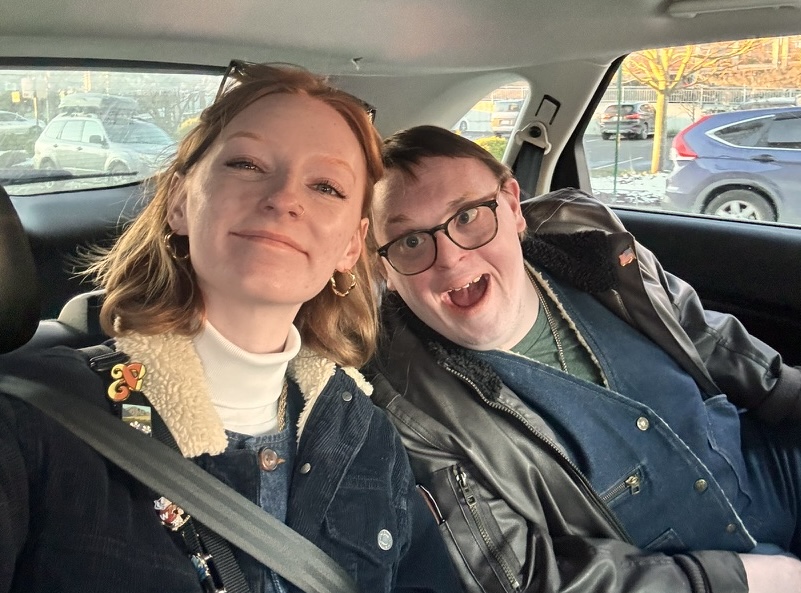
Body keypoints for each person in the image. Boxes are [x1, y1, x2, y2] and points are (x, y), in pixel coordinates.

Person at [0, 66, 461, 593]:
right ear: (180, 202)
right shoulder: (32, 420)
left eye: (326, 186)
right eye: (246, 164)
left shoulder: (366, 436)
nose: (285, 198)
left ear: (351, 246)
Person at [366, 124, 801, 593]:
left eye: (468, 216)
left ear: (512, 206)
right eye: (410, 241)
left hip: (764, 467)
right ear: (382, 267)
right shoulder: (406, 406)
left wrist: (788, 394)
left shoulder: (584, 235)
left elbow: (704, 334)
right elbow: (525, 578)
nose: (450, 258)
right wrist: (735, 580)